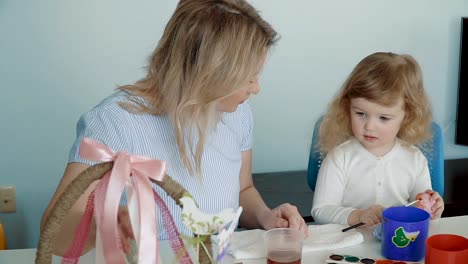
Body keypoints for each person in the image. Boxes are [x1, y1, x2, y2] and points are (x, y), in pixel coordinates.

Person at [41, 0, 308, 256]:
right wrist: (104, 228)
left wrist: (265, 216)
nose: (256, 88)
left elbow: (243, 190)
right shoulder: (114, 122)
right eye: (247, 77)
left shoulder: (237, 114)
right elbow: (54, 234)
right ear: (208, 72)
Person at [311, 52, 444, 227]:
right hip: (350, 245)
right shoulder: (340, 157)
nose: (369, 126)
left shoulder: (415, 159)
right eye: (360, 114)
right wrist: (358, 215)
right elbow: (320, 211)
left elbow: (420, 208)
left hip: (398, 245)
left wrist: (432, 208)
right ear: (347, 107)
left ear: (407, 116)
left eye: (383, 118)